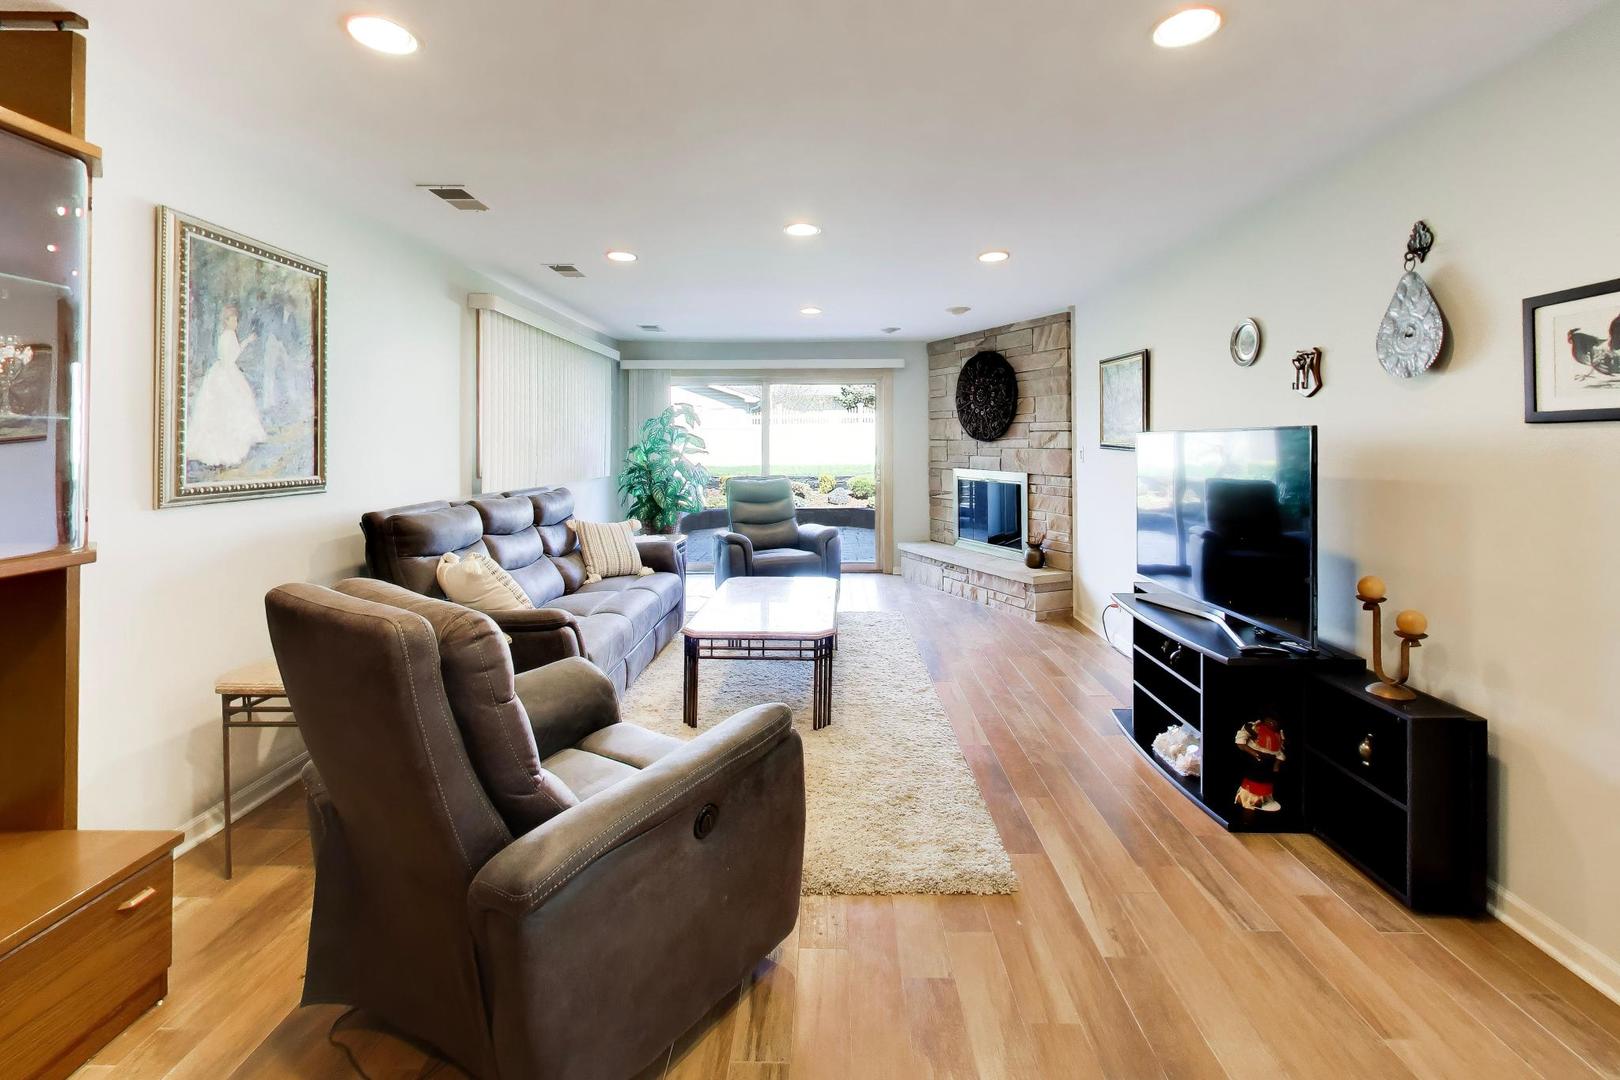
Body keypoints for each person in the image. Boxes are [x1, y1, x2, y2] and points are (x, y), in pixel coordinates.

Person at [187, 302, 267, 468]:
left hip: (221, 371)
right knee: (233, 404)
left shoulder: (225, 335)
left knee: (228, 406)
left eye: (236, 320)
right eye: (233, 320)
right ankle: (231, 445)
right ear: (227, 321)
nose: (236, 323)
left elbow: (227, 356)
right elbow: (232, 357)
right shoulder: (229, 335)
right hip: (227, 373)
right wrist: (247, 341)